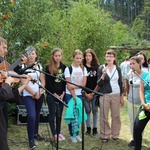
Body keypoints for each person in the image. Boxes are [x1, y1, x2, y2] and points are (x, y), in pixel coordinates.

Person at [97, 49, 124, 142]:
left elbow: (120, 83)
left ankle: (115, 134)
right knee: (104, 116)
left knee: (116, 115)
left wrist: (121, 96)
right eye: (107, 56)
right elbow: (99, 83)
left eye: (111, 56)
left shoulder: (118, 68)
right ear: (105, 57)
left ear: (114, 58)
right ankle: (105, 134)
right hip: (105, 95)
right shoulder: (101, 68)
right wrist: (103, 74)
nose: (109, 58)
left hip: (116, 94)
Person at [0, 37, 27, 129]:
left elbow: (9, 71)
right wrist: (7, 83)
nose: (6, 50)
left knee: (4, 127)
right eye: (4, 47)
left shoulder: (2, 62)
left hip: (3, 100)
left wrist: (19, 65)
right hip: (2, 95)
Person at [21, 46, 45, 150]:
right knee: (31, 116)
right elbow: (23, 83)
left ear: (36, 55)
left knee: (37, 114)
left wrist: (39, 92)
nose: (31, 55)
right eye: (29, 53)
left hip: (39, 93)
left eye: (33, 53)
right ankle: (31, 140)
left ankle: (35, 134)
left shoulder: (39, 66)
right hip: (28, 95)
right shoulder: (22, 67)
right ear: (27, 55)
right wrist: (33, 93)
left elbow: (43, 81)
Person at [64, 49, 87, 143]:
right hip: (70, 95)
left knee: (78, 114)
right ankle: (72, 134)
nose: (78, 60)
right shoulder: (68, 69)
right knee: (72, 115)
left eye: (80, 58)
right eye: (77, 58)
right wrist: (74, 97)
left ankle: (77, 134)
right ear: (73, 58)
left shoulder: (83, 69)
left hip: (79, 95)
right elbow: (68, 85)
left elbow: (83, 84)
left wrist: (74, 86)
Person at [45, 48, 66, 141]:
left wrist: (63, 93)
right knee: (52, 114)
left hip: (61, 95)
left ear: (61, 56)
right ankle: (54, 133)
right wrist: (54, 93)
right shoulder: (48, 67)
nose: (57, 57)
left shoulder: (64, 67)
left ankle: (59, 132)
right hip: (51, 95)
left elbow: (65, 82)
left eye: (59, 55)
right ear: (53, 56)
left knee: (59, 114)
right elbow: (48, 83)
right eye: (56, 55)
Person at [126, 56, 143, 147]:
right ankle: (133, 139)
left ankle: (138, 139)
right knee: (132, 121)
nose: (132, 65)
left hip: (141, 103)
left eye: (134, 63)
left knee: (139, 123)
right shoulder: (129, 74)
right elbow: (127, 85)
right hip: (130, 101)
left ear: (139, 63)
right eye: (130, 64)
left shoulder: (145, 75)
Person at [82, 48, 99, 136]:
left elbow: (99, 81)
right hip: (85, 92)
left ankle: (95, 129)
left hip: (95, 93)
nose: (88, 57)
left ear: (92, 56)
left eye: (90, 55)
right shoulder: (82, 67)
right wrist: (86, 94)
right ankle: (88, 129)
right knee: (87, 110)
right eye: (86, 56)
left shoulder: (97, 67)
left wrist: (93, 93)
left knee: (95, 110)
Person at [133, 71, 150, 150]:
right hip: (145, 106)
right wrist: (144, 103)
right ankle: (137, 148)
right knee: (137, 128)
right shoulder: (145, 76)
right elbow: (141, 91)